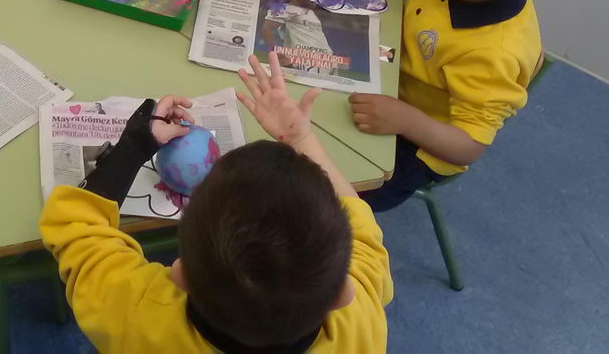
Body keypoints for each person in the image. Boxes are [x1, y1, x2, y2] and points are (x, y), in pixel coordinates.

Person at [39, 52, 393, 352]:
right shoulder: (359, 327)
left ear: (180, 274)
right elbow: (360, 220)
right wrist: (300, 137)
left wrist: (132, 148)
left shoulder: (137, 315)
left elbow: (78, 231)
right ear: (341, 295)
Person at [310, 0, 551, 211]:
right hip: (389, 76)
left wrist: (406, 120)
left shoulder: (494, 52)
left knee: (315, 188)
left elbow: (469, 144)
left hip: (418, 145)